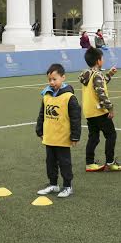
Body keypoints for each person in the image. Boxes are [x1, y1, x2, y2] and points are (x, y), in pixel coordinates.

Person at [36, 64, 81, 198]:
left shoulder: (69, 97)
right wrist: (39, 130)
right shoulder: (46, 95)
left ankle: (67, 186)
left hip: (62, 138)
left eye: (54, 79)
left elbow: (75, 118)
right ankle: (53, 184)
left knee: (64, 163)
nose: (52, 82)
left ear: (63, 77)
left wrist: (75, 136)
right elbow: (41, 114)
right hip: (49, 137)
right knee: (50, 162)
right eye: (49, 79)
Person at [79, 47, 121, 172]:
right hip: (99, 111)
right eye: (102, 58)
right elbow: (100, 92)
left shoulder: (88, 74)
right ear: (98, 61)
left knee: (94, 137)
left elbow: (100, 83)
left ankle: (90, 163)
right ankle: (110, 162)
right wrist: (110, 108)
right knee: (111, 135)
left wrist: (109, 74)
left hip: (89, 112)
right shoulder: (97, 75)